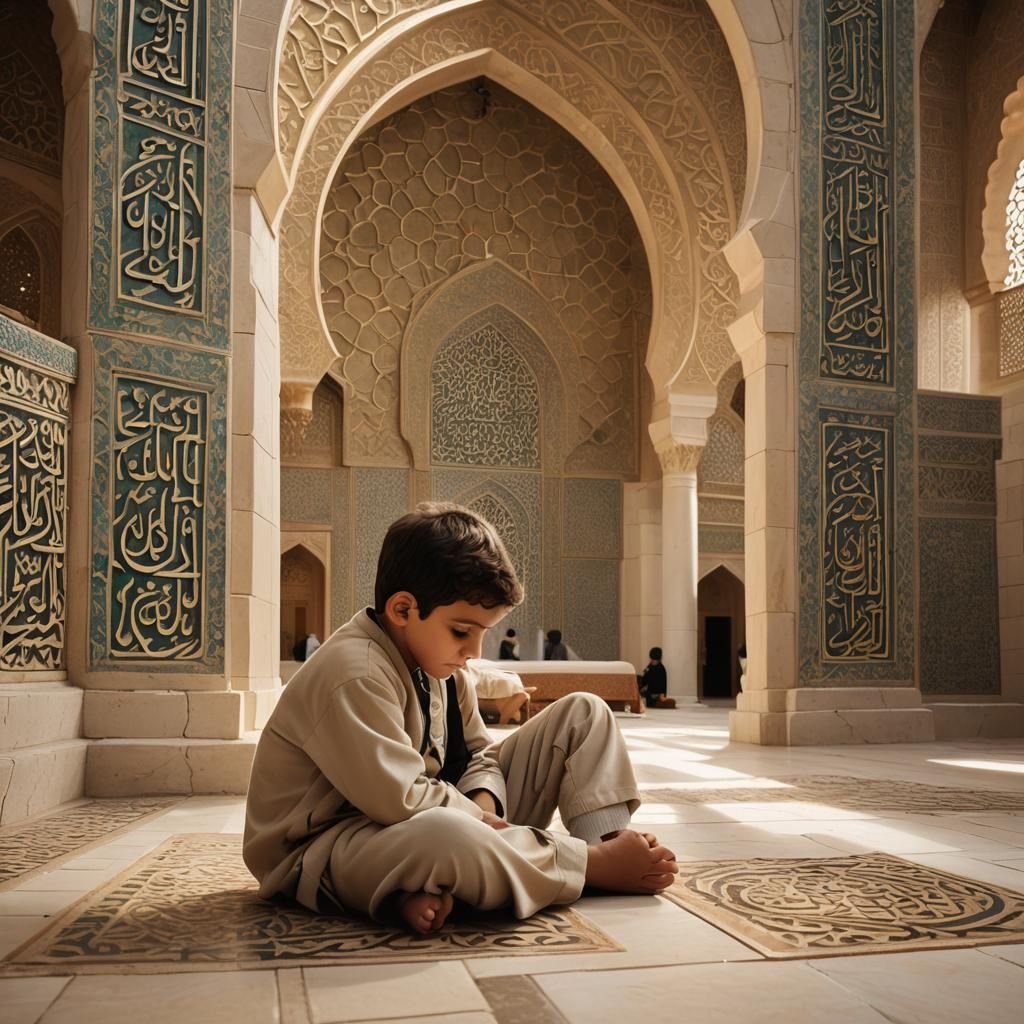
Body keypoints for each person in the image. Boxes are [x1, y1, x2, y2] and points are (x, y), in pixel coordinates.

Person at [244, 502, 677, 934]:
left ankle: (611, 844)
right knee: (445, 835)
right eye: (461, 631)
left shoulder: (444, 667)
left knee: (585, 711)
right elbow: (402, 802)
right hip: (325, 848)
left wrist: (484, 801)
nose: (475, 651)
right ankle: (592, 867)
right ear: (402, 610)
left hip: (426, 821)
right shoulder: (355, 671)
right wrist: (480, 820)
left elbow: (478, 754)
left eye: (483, 633)